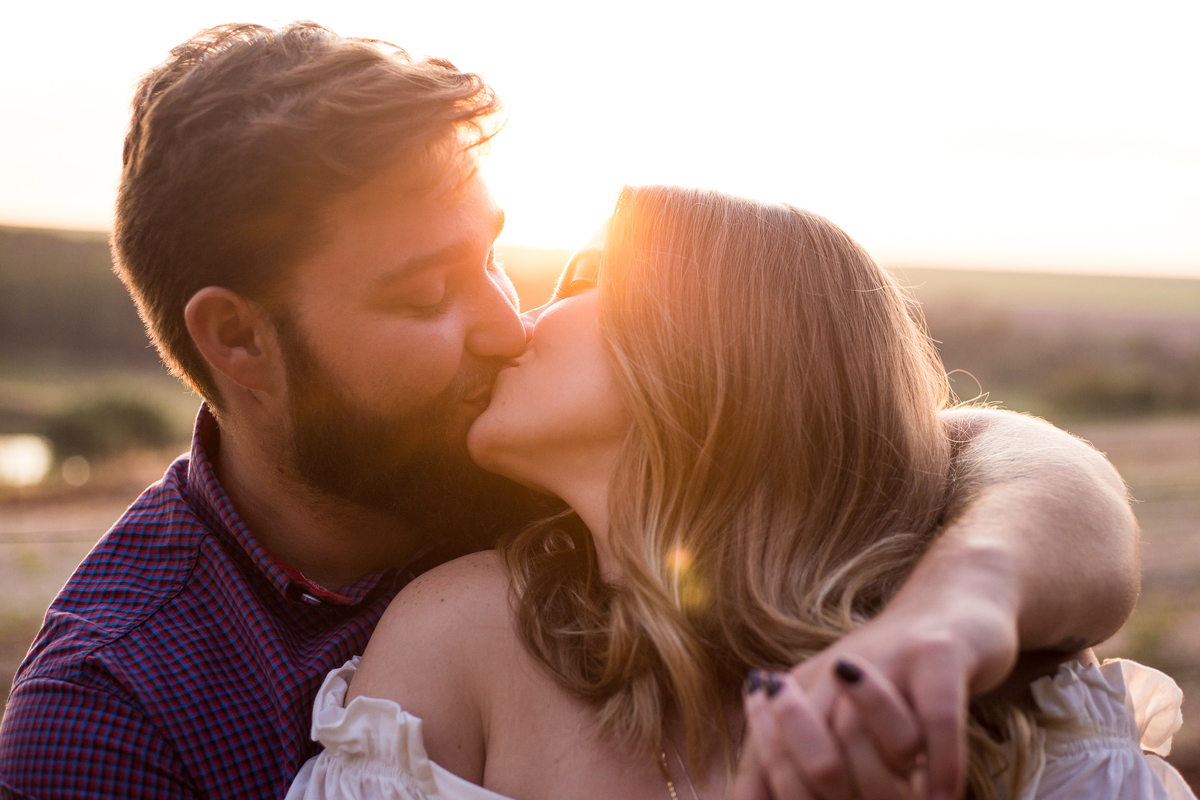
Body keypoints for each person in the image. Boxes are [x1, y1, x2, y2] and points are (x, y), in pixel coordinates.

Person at [0, 23, 1139, 800]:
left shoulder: (522, 448)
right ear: (239, 340)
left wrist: (962, 604)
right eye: (425, 294)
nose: (505, 323)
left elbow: (963, 454)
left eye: (495, 257)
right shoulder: (116, 708)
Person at [289, 186, 1191, 800]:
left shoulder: (994, 689)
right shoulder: (458, 629)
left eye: (587, 280)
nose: (517, 321)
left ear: (721, 355)